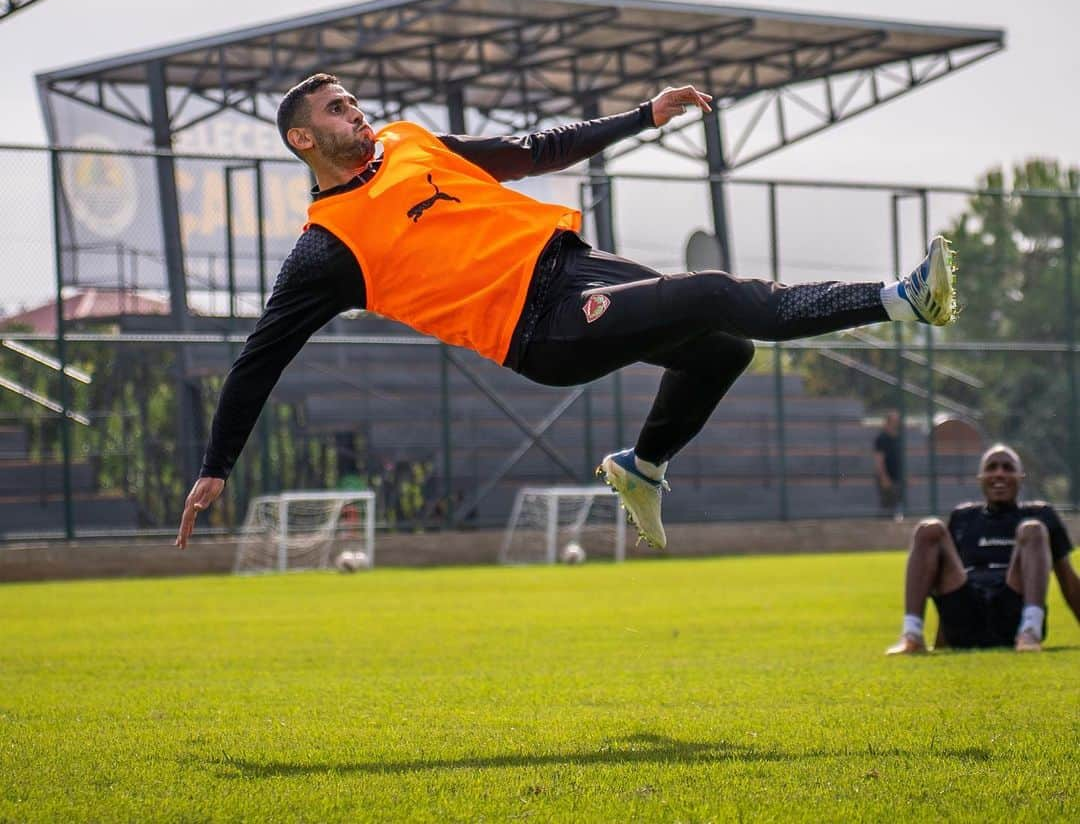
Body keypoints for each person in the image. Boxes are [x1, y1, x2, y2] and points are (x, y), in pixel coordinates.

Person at [175, 73, 959, 552]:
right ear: (305, 139)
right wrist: (216, 466)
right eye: (338, 109)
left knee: (722, 350)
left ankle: (643, 468)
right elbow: (260, 358)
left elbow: (534, 149)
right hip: (540, 329)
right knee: (717, 291)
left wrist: (642, 116)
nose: (357, 112)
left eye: (353, 98)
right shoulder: (325, 248)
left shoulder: (412, 142)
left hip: (573, 265)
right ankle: (898, 297)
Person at [886, 444, 1079, 654]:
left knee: (1032, 529)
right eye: (992, 467)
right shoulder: (963, 517)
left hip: (1012, 609)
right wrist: (943, 639)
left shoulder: (1041, 514)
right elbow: (946, 578)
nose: (999, 473)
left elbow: (1066, 578)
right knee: (928, 528)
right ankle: (912, 635)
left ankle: (1030, 631)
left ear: (1021, 477)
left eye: (1008, 468)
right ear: (980, 477)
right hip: (967, 614)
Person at [873, 410, 903, 518]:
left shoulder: (898, 438)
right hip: (887, 477)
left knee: (896, 506)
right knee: (886, 508)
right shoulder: (881, 439)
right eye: (894, 421)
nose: (896, 424)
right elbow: (878, 460)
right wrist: (883, 477)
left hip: (897, 477)